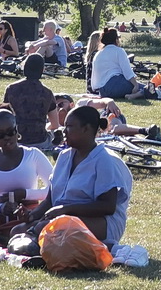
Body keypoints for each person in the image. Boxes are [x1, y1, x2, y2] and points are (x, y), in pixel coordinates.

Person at [14, 106, 132, 249]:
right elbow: (51, 200)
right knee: (17, 231)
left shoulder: (104, 159)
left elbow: (107, 206)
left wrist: (66, 210)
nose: (64, 131)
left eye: (69, 127)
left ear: (86, 129)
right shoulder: (64, 156)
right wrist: (32, 215)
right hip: (63, 218)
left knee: (48, 228)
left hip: (102, 222)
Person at [0, 109, 52, 218]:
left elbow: (54, 189)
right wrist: (0, 208)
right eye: (0, 135)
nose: (6, 138)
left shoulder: (33, 155)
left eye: (10, 132)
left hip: (30, 215)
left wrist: (25, 194)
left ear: (17, 130)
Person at [3, 53, 59, 149]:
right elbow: (55, 124)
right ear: (42, 70)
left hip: (15, 139)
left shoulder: (11, 89)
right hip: (40, 141)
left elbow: (4, 116)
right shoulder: (47, 93)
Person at [54, 93, 161, 140]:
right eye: (56, 106)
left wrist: (110, 101)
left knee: (113, 129)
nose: (59, 108)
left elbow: (102, 102)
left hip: (104, 117)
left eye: (61, 104)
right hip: (99, 131)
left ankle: (147, 130)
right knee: (118, 135)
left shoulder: (80, 104)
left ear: (71, 104)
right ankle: (148, 136)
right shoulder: (55, 122)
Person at [91, 28, 143, 98]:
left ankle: (135, 95)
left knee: (142, 87)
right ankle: (136, 95)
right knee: (147, 88)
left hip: (102, 90)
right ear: (116, 39)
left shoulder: (98, 54)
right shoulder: (119, 51)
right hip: (114, 84)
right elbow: (128, 72)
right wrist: (136, 85)